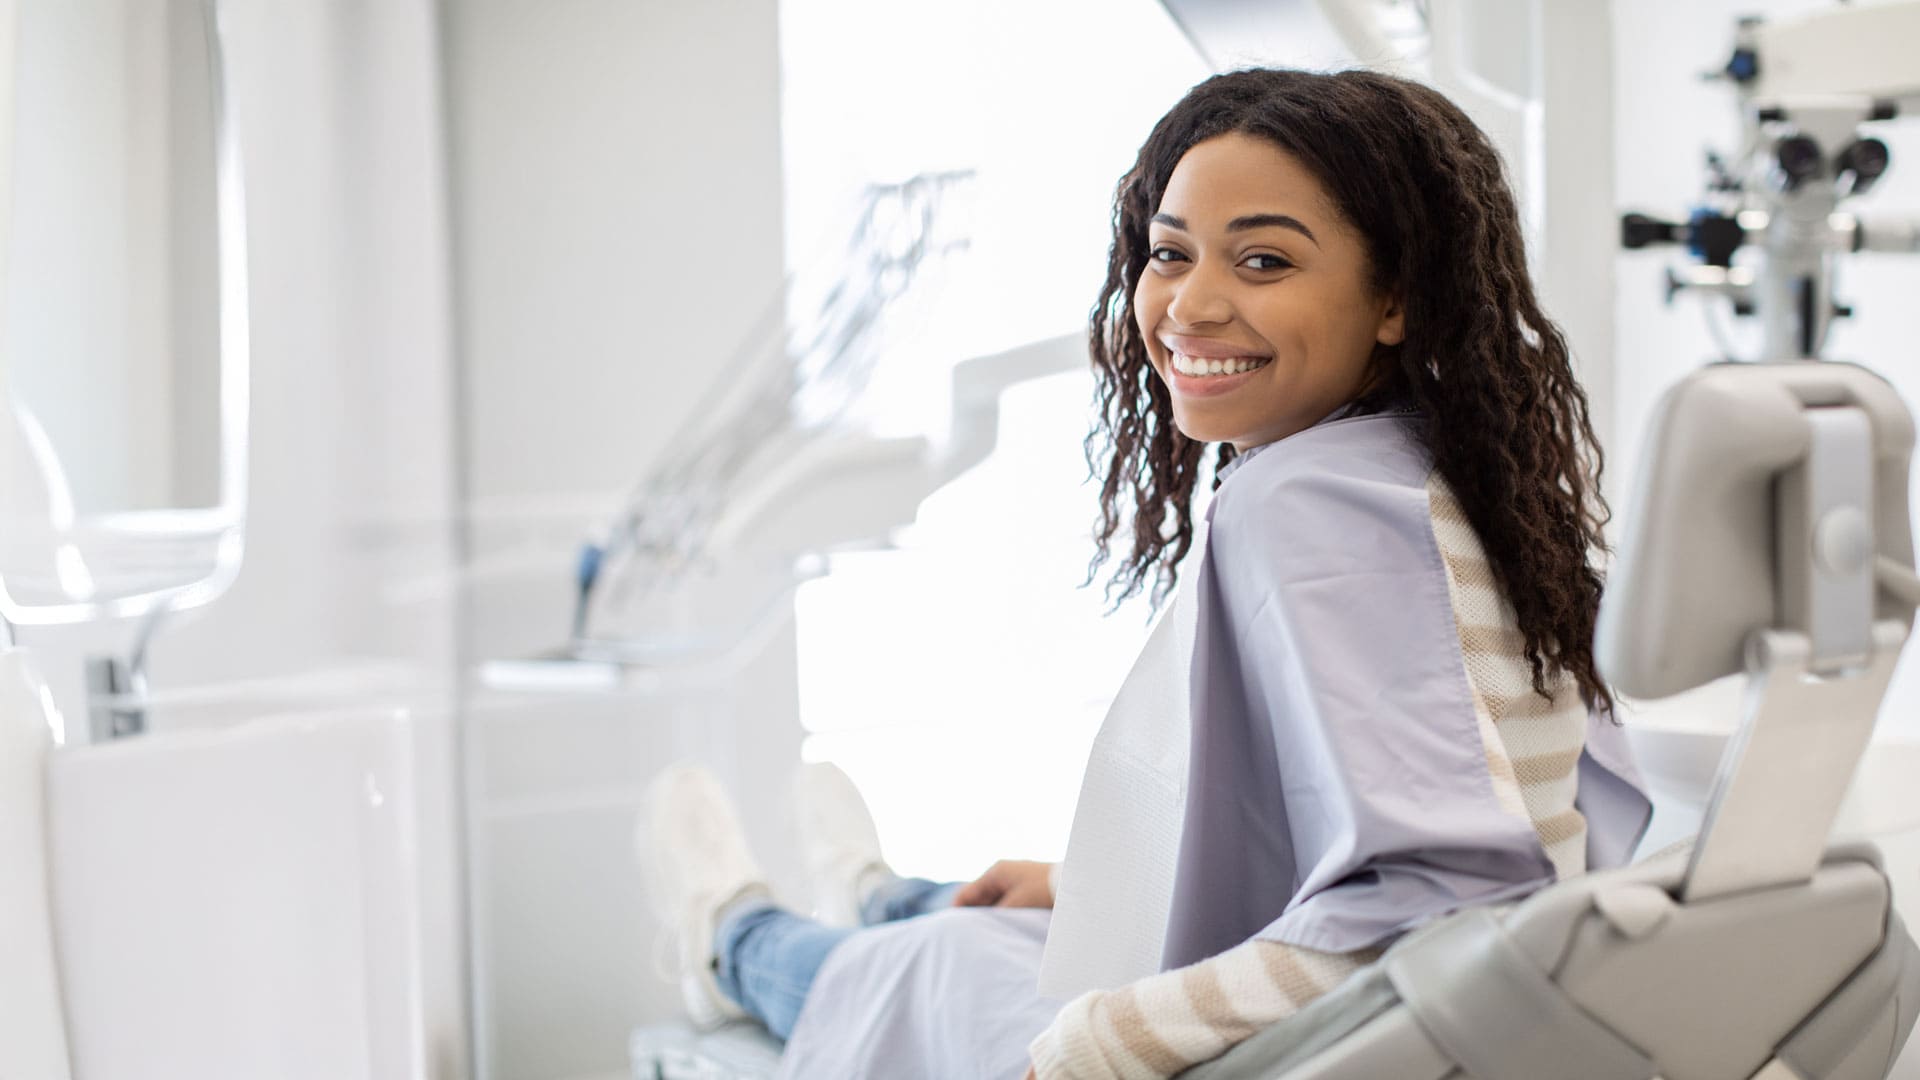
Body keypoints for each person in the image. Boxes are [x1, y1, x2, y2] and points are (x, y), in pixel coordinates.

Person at [637, 66, 1652, 1079]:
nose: (1188, 304)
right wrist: (1092, 886)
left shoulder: (1301, 505)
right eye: (1169, 253)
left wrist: (1091, 1051)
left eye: (1262, 260)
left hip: (1352, 1035)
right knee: (1016, 919)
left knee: (930, 967)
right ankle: (872, 891)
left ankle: (730, 939)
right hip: (1469, 1012)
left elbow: (1431, 899)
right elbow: (1477, 812)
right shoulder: (1451, 473)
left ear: (1394, 297)